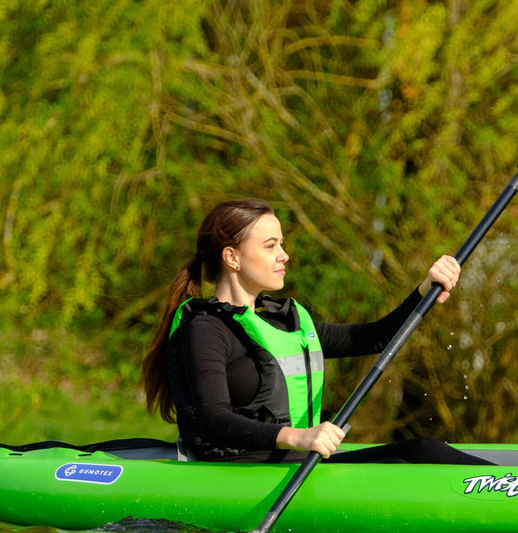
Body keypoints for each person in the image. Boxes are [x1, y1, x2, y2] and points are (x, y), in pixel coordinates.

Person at [142, 198, 492, 466]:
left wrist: (424, 291)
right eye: (270, 246)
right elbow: (213, 419)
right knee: (419, 453)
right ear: (232, 258)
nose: (284, 255)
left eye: (281, 244)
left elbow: (376, 337)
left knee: (423, 449)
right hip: (243, 471)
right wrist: (298, 437)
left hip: (298, 466)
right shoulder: (205, 330)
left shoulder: (284, 323)